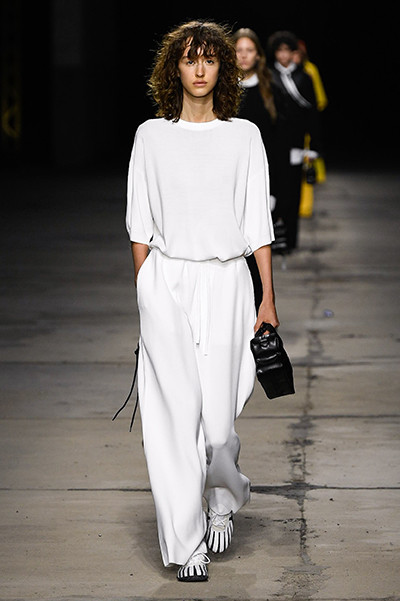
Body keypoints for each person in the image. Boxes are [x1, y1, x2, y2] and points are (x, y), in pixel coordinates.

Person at [124, 20, 279, 582]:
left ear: (223, 68)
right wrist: (147, 292)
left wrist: (267, 298)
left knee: (217, 425)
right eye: (189, 59)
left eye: (209, 59)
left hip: (227, 282)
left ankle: (222, 497)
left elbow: (257, 225)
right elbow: (139, 223)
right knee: (173, 420)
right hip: (167, 281)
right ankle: (186, 542)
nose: (198, 69)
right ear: (174, 67)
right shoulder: (151, 136)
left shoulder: (243, 137)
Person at [233, 27, 289, 308]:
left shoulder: (271, 91)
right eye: (238, 50)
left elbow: (278, 147)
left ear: (258, 55)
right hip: (230, 182)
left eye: (249, 50)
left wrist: (274, 190)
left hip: (261, 181)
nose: (243, 56)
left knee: (257, 254)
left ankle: (258, 311)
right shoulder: (223, 92)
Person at [268, 30, 322, 250]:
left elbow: (312, 114)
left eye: (287, 50)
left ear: (293, 52)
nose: (283, 55)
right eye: (279, 50)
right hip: (273, 143)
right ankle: (274, 239)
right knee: (275, 191)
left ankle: (290, 240)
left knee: (293, 192)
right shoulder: (268, 75)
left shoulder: (304, 77)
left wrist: (314, 147)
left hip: (296, 144)